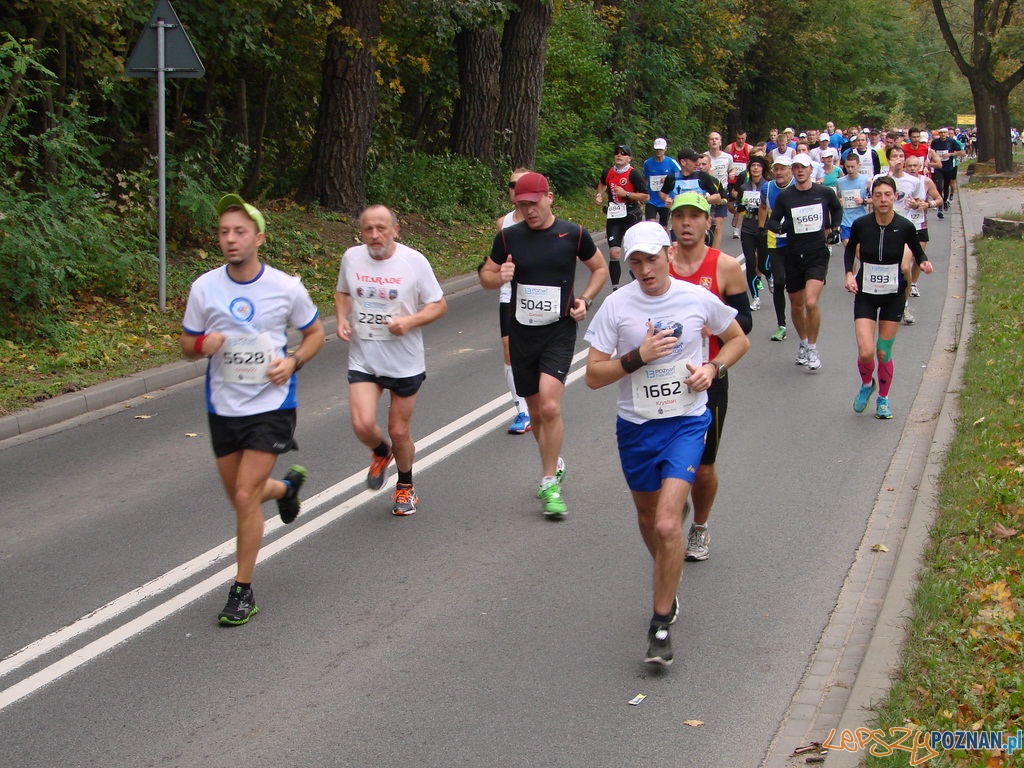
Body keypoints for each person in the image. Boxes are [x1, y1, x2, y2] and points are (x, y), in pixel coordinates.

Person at [584, 220, 749, 668]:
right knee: (646, 515)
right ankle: (668, 574)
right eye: (635, 261)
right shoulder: (617, 307)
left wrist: (713, 368)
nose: (645, 269)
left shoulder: (695, 298)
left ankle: (659, 622)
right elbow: (593, 376)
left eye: (652, 259)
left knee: (665, 523)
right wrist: (638, 356)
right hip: (636, 427)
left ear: (669, 255)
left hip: (686, 423)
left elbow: (738, 339)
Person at [180, 194, 325, 626]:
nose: (230, 239)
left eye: (240, 231)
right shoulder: (204, 288)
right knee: (242, 498)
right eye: (224, 232)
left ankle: (242, 592)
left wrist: (294, 361)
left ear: (258, 237)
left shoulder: (285, 287)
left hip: (272, 406)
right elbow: (186, 346)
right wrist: (201, 345)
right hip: (223, 406)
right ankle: (284, 490)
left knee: (244, 496)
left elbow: (316, 333)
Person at [481, 172, 608, 518]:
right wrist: (498, 277)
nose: (528, 211)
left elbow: (599, 269)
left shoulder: (574, 233)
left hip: (558, 330)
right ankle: (555, 460)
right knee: (535, 412)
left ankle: (549, 481)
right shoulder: (508, 237)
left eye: (533, 204)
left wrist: (585, 300)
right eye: (521, 206)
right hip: (523, 332)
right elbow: (485, 275)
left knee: (550, 407)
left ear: (549, 197)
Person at [336, 205, 448, 516]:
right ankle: (381, 452)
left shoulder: (413, 262)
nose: (375, 235)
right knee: (361, 424)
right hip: (365, 358)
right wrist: (342, 318)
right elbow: (343, 291)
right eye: (368, 229)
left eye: (381, 228)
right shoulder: (351, 258)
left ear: (395, 230)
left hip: (404, 362)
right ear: (361, 232)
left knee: (399, 431)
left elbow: (438, 305)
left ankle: (405, 486)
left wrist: (409, 322)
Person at [667, 192, 752, 562]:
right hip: (661, 378)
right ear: (671, 221)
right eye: (680, 216)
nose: (686, 223)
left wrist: (709, 329)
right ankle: (673, 504)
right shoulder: (660, 263)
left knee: (703, 467)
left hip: (708, 377)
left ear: (707, 222)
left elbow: (744, 323)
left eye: (694, 217)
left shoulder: (725, 266)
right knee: (660, 459)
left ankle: (699, 526)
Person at [844, 176, 933, 419]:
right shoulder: (862, 224)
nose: (883, 199)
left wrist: (924, 262)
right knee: (865, 351)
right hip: (866, 293)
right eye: (878, 195)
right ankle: (866, 385)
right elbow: (851, 249)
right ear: (871, 198)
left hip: (893, 294)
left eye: (887, 195)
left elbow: (917, 250)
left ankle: (883, 398)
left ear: (895, 197)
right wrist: (849, 274)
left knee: (883, 352)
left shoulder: (905, 226)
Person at [766, 153, 843, 371]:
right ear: (793, 170)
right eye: (796, 167)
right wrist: (779, 228)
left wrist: (835, 229)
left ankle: (813, 347)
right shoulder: (786, 196)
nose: (800, 171)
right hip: (793, 255)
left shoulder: (824, 193)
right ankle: (802, 341)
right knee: (797, 305)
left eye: (804, 167)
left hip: (817, 254)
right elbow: (773, 219)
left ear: (811, 170)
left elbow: (837, 208)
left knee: (811, 302)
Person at [495, 168, 532, 435]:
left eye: (522, 184)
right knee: (509, 350)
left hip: (539, 297)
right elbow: (496, 261)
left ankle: (542, 397)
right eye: (512, 185)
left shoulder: (542, 220)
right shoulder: (503, 223)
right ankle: (522, 410)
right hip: (509, 294)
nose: (516, 189)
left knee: (536, 352)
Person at [596, 144, 649, 290]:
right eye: (617, 153)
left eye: (623, 153)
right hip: (614, 216)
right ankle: (615, 288)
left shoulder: (633, 174)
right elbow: (602, 183)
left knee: (636, 251)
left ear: (629, 158)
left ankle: (640, 283)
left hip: (631, 215)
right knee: (614, 252)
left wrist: (626, 194)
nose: (619, 155)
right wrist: (599, 195)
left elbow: (645, 196)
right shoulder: (608, 172)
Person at [758, 155, 795, 341]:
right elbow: (763, 207)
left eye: (783, 168)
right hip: (776, 240)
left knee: (797, 285)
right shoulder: (767, 187)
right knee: (779, 282)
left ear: (791, 170)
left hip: (797, 241)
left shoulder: (798, 185)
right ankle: (781, 324)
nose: (779, 172)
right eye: (776, 169)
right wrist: (762, 228)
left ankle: (801, 313)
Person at [730, 156, 770, 309]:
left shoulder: (767, 186)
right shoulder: (744, 187)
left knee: (763, 264)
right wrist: (738, 214)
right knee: (750, 263)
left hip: (764, 228)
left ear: (762, 169)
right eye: (753, 166)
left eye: (758, 166)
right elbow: (737, 206)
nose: (755, 169)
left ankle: (769, 275)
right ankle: (755, 298)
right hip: (747, 228)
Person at [704, 132, 735, 250]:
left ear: (720, 142)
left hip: (722, 193)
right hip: (707, 194)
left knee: (717, 227)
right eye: (711, 139)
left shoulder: (727, 157)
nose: (714, 141)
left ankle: (715, 254)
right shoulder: (704, 157)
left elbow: (732, 168)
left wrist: (732, 173)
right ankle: (705, 249)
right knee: (707, 225)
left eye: (716, 139)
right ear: (708, 142)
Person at [643, 138, 681, 228]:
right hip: (651, 200)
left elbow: (681, 175)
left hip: (665, 200)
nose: (658, 151)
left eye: (660, 149)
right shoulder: (647, 163)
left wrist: (668, 179)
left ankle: (665, 242)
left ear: (665, 149)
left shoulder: (671, 162)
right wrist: (643, 192)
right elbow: (645, 179)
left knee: (663, 227)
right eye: (656, 149)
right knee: (650, 225)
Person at [835, 153, 869, 247]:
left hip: (861, 220)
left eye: (852, 167)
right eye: (847, 166)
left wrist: (863, 201)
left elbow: (874, 200)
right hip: (845, 221)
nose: (850, 169)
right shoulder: (840, 182)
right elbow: (838, 197)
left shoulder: (866, 180)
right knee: (849, 250)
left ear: (859, 165)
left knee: (860, 252)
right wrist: (839, 201)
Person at [725, 129, 753, 238]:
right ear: (735, 138)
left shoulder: (749, 149)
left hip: (743, 180)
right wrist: (729, 173)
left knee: (740, 204)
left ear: (745, 138)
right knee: (731, 207)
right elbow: (725, 162)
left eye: (743, 139)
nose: (741, 141)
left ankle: (736, 229)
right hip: (732, 181)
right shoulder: (729, 148)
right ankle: (736, 214)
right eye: (738, 139)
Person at [929, 127, 965, 212]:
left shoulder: (951, 141)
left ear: (947, 134)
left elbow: (960, 152)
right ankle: (940, 205)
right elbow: (931, 152)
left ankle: (945, 200)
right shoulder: (935, 142)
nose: (943, 135)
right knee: (939, 186)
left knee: (946, 186)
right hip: (938, 167)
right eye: (941, 133)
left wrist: (950, 154)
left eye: (944, 133)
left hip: (948, 167)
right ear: (939, 134)